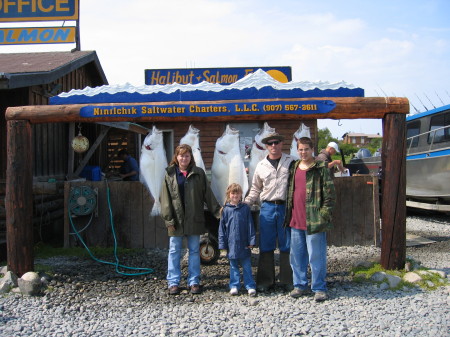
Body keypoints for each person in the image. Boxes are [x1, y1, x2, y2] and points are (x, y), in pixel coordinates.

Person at [160, 144, 221, 295]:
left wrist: (218, 211)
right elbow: (165, 199)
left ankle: (194, 281)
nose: (184, 158)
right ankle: (173, 282)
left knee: (194, 250)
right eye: (181, 155)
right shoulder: (169, 174)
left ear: (191, 157)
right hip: (176, 220)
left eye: (187, 155)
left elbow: (208, 194)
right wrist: (169, 220)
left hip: (195, 218)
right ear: (176, 157)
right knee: (174, 250)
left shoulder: (199, 173)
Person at [284, 137, 336, 302]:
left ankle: (319, 287)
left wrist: (324, 214)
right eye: (300, 149)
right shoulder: (294, 166)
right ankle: (299, 285)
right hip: (295, 219)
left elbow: (330, 194)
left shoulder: (320, 167)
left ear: (312, 149)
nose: (303, 152)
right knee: (297, 256)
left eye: (306, 149)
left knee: (316, 256)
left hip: (314, 220)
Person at [244, 132, 294, 292]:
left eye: (276, 142)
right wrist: (245, 204)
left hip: (286, 207)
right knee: (266, 244)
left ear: (281, 144)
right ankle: (266, 281)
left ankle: (288, 280)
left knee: (287, 244)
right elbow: (255, 188)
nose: (274, 146)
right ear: (266, 146)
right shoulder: (260, 165)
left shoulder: (292, 161)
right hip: (267, 208)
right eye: (270, 143)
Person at [219, 183, 257, 297]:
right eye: (233, 193)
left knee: (246, 266)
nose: (235, 195)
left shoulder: (245, 209)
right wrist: (222, 244)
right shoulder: (225, 210)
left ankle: (250, 285)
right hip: (231, 244)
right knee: (233, 266)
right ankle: (234, 285)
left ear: (241, 195)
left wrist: (252, 241)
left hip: (244, 242)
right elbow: (222, 229)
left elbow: (250, 225)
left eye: (237, 193)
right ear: (229, 195)